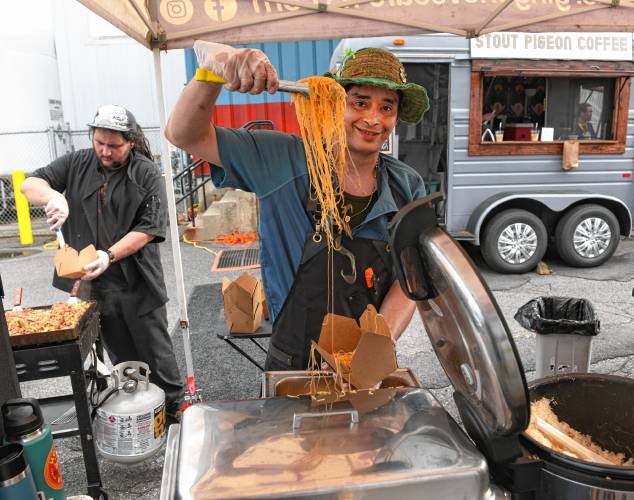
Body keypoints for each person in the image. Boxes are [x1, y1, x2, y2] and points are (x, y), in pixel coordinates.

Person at [165, 43, 429, 372]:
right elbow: (183, 134)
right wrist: (212, 72)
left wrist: (374, 352)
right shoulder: (281, 160)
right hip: (292, 362)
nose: (373, 119)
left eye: (387, 107)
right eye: (359, 102)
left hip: (364, 364)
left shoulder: (406, 186)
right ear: (333, 105)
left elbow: (409, 280)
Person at [21, 105, 186, 420]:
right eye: (100, 143)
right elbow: (31, 184)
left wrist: (108, 255)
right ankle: (141, 411)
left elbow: (148, 229)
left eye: (114, 145)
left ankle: (175, 408)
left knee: (155, 350)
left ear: (131, 142)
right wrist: (53, 197)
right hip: (93, 281)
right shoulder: (78, 162)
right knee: (119, 352)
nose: (105, 151)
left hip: (136, 279)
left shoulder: (145, 172)